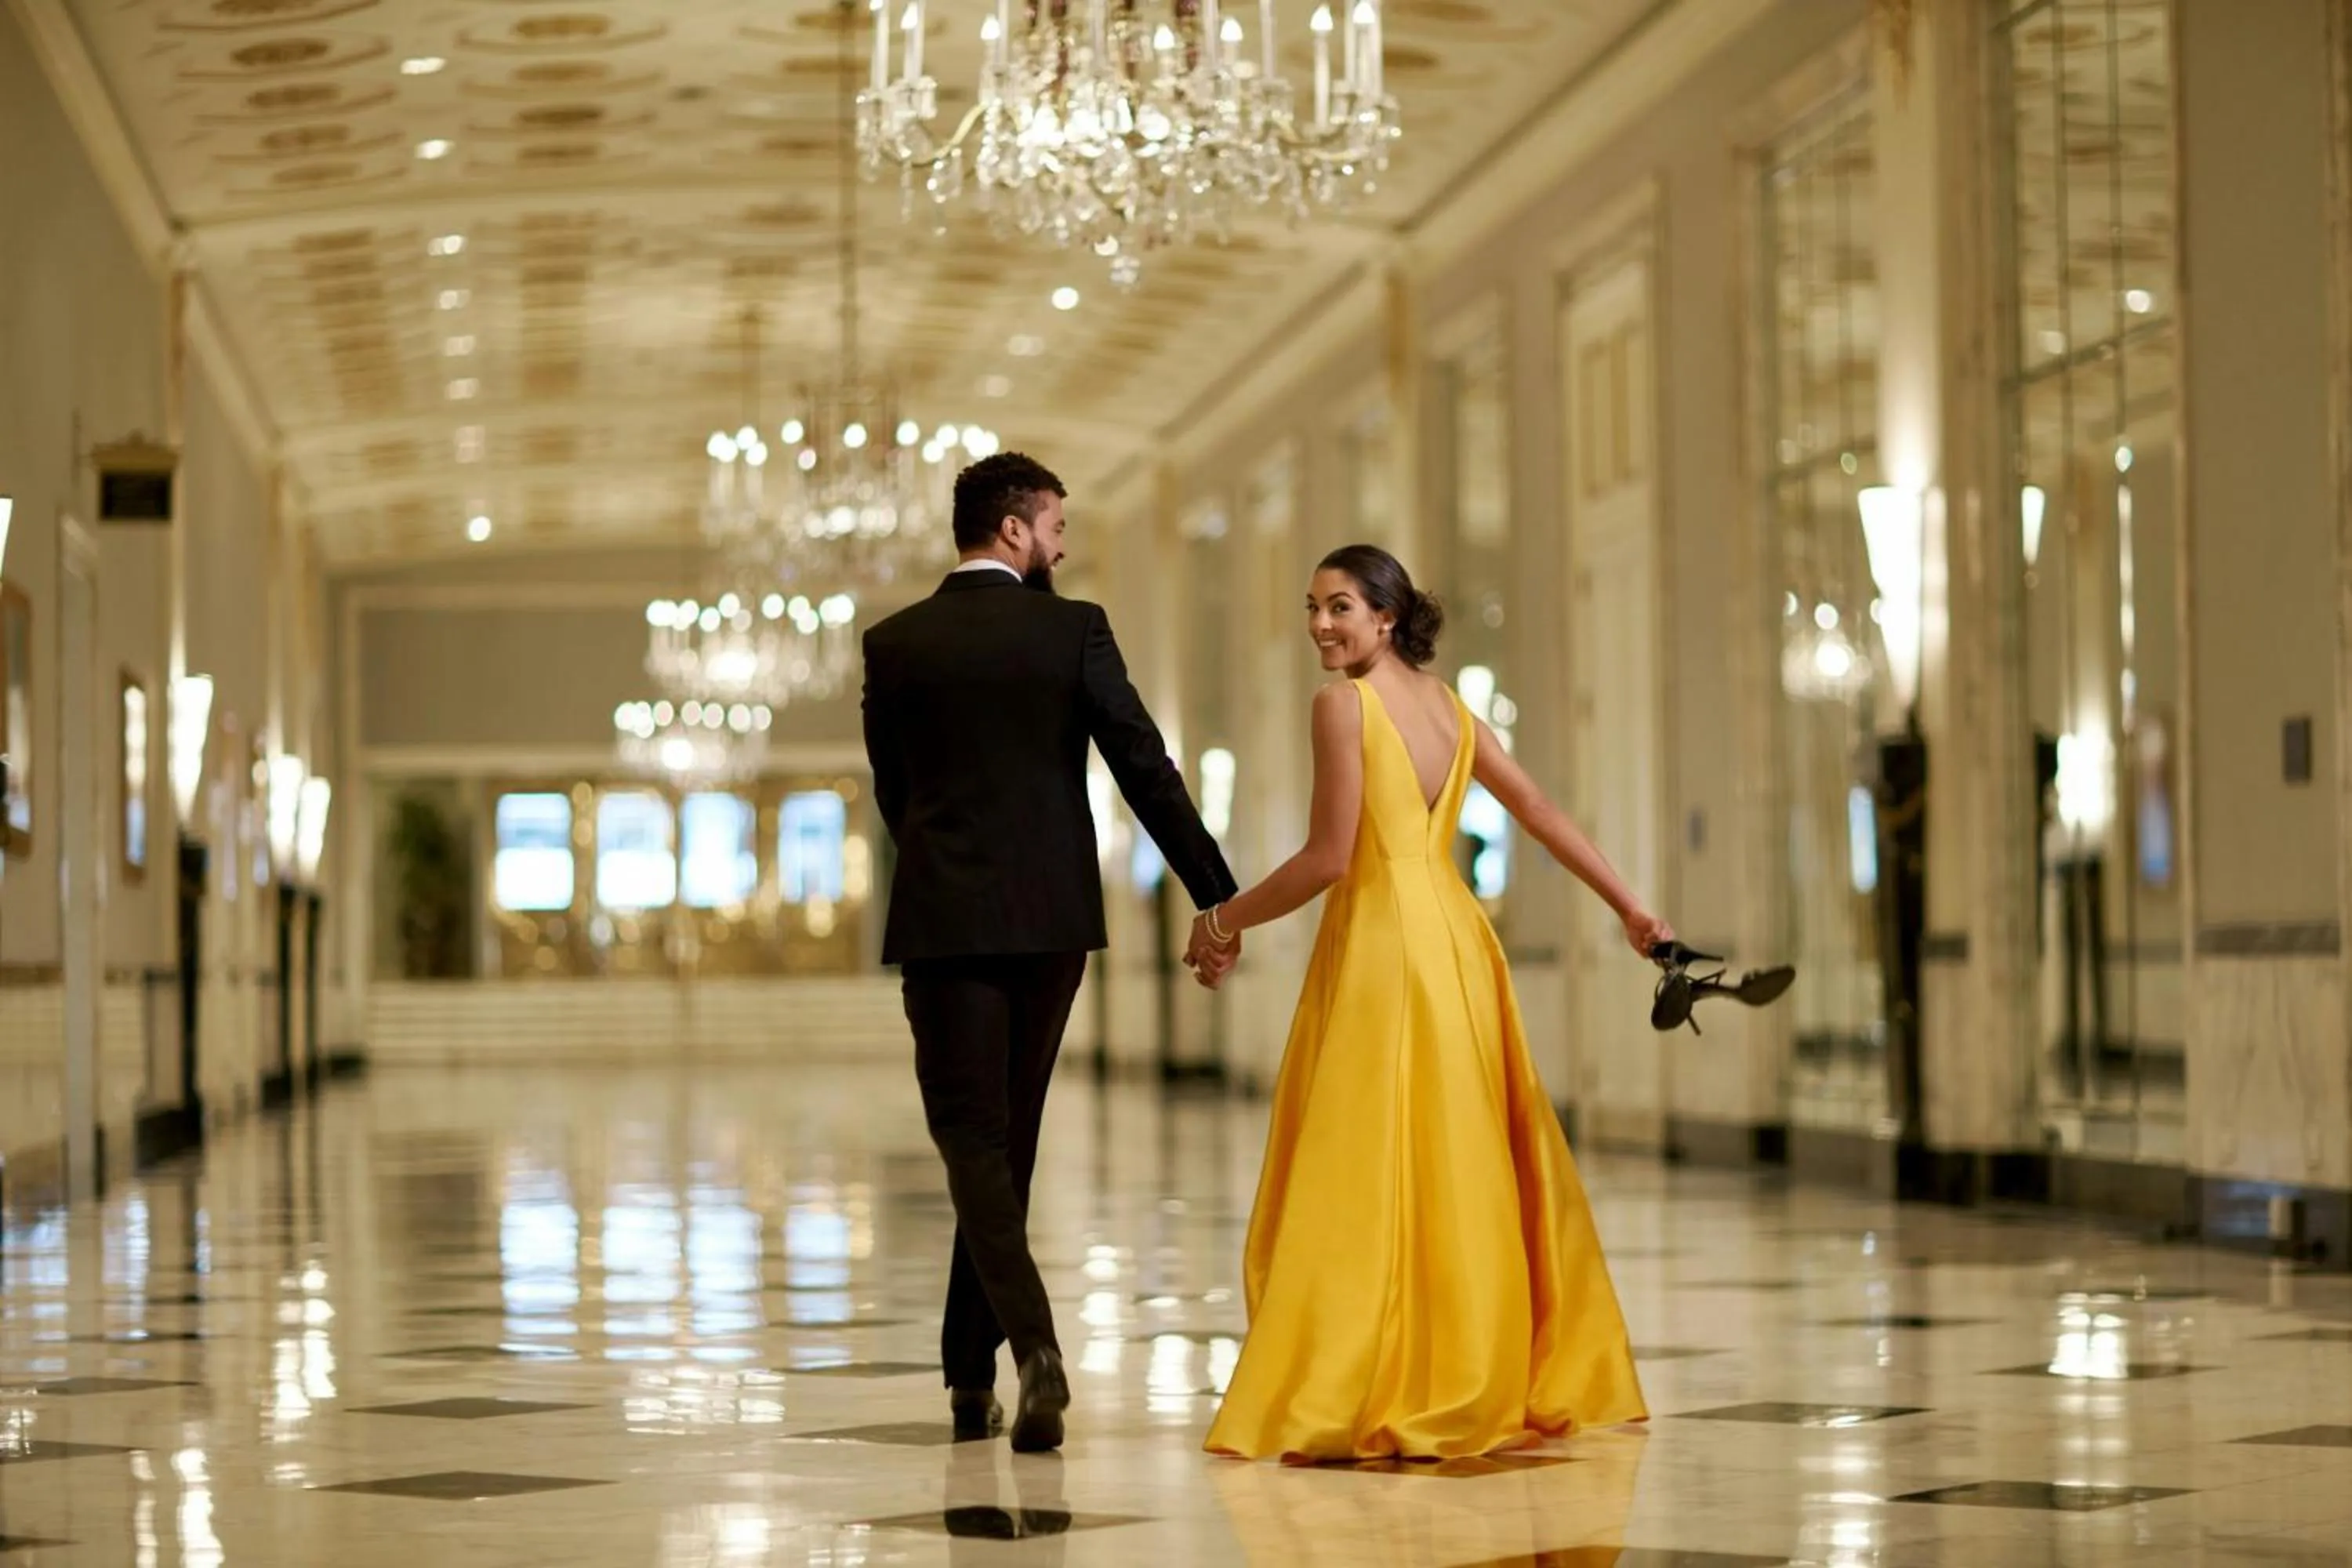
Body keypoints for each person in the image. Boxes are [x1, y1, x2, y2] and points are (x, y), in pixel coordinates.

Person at [1189, 543, 1670, 1463]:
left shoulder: (1342, 706)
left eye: (1339, 606)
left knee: (1364, 1165)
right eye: (1312, 607)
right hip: (1458, 942)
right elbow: (1538, 810)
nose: (1320, 625)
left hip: (1383, 948)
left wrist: (1221, 918)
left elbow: (1329, 857)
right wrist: (1629, 905)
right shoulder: (1452, 709)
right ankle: (1464, 1364)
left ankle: (1374, 1372)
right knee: (1456, 1157)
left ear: (1386, 615)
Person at [862, 452, 1240, 1453]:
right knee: (1006, 1140)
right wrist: (1217, 891)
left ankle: (1027, 1355)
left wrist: (950, 865)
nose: (1063, 546)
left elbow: (896, 795)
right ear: (1016, 528)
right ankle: (973, 1370)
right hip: (1052, 919)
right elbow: (1145, 765)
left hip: (946, 921)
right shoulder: (1073, 630)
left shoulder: (894, 643)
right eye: (1057, 527)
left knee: (972, 1140)